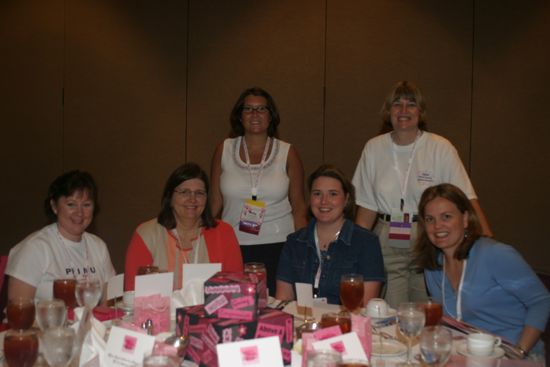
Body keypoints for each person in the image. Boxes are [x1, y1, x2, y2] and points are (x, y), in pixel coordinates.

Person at [352, 80, 493, 307]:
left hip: (429, 235)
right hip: (387, 237)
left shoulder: (440, 147)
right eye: (397, 104)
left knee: (427, 307)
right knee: (391, 308)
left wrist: (487, 242)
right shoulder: (374, 148)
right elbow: (367, 205)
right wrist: (353, 249)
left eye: (411, 104)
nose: (404, 111)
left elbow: (466, 197)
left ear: (421, 112)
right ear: (388, 112)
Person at [413, 183, 550, 358]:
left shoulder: (495, 254)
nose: (437, 226)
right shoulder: (434, 265)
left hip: (512, 353)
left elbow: (540, 301)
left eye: (446, 217)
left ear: (465, 219)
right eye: (430, 219)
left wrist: (520, 351)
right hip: (467, 354)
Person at [210, 87, 308, 294]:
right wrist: (202, 241)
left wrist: (302, 251)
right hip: (233, 244)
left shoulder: (287, 152)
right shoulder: (224, 149)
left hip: (279, 245)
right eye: (248, 109)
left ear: (271, 116)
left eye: (262, 109)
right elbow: (214, 203)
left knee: (276, 309)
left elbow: (299, 207)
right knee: (235, 308)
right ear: (239, 115)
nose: (255, 114)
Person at [276, 164, 384, 305]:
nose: (324, 201)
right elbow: (283, 301)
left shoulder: (366, 243)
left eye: (333, 194)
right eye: (317, 194)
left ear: (346, 199)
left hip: (346, 324)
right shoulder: (294, 242)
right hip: (302, 322)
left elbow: (365, 306)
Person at [125, 162, 243, 291]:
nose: (192, 199)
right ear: (170, 198)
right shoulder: (146, 234)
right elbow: (132, 291)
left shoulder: (223, 232)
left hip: (212, 311)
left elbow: (236, 288)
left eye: (199, 193)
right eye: (184, 192)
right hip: (159, 310)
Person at [6, 170, 116, 301]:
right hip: (44, 321)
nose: (79, 213)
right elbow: (19, 311)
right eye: (71, 204)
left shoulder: (99, 246)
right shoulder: (34, 248)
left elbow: (108, 304)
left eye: (86, 205)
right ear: (54, 206)